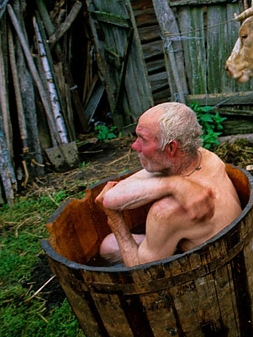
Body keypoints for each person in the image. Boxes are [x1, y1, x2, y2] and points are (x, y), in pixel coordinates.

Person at [95, 102, 242, 267]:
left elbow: (142, 276)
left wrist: (116, 221)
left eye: (142, 139)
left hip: (208, 269)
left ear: (171, 148)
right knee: (108, 246)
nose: (134, 146)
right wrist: (174, 184)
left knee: (116, 242)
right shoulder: (203, 156)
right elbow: (110, 197)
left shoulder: (166, 212)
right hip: (212, 243)